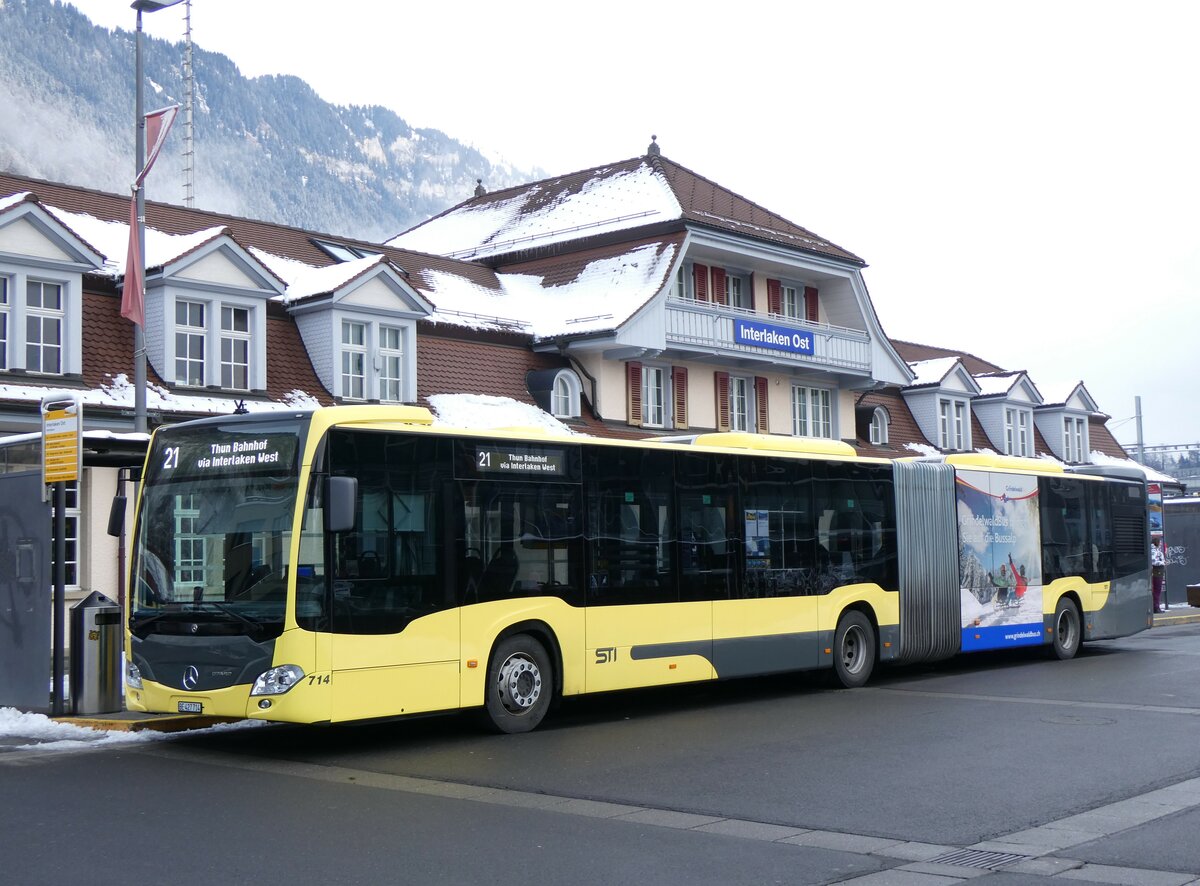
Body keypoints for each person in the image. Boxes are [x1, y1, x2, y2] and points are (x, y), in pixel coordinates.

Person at [1151, 537, 1166, 613]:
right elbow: (1153, 561)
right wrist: (1162, 563)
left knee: (1156, 590)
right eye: (1159, 542)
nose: (1160, 544)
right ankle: (1156, 607)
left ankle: (1156, 607)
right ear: (1156, 543)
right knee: (1157, 590)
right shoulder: (1154, 551)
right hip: (1157, 572)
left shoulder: (1155, 550)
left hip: (1157, 572)